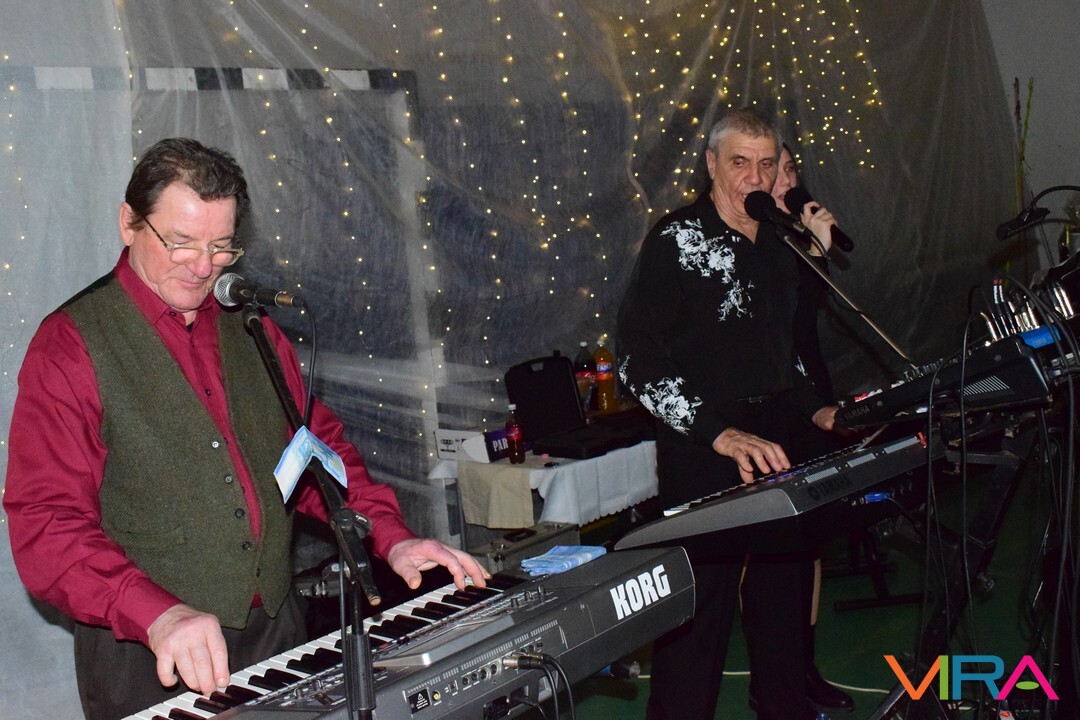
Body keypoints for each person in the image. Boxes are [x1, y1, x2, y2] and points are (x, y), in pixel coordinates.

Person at [3, 138, 489, 720]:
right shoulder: (70, 345)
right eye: (181, 242)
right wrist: (156, 612)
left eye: (221, 246)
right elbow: (46, 522)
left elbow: (315, 453)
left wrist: (390, 534)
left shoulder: (252, 328)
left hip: (275, 634)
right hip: (148, 649)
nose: (203, 267)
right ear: (129, 222)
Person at [616, 108, 839, 720]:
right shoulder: (676, 239)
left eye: (766, 164)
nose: (755, 177)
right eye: (740, 162)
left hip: (778, 445)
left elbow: (780, 355)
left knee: (783, 608)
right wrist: (717, 433)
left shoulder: (780, 242)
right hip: (704, 447)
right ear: (712, 165)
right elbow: (635, 359)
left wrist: (817, 410)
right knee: (696, 621)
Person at [769, 144, 856, 715]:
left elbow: (809, 327)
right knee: (776, 547)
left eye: (791, 169)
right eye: (773, 171)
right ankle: (777, 672)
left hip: (812, 396)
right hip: (776, 403)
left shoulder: (795, 239)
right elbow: (786, 324)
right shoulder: (757, 240)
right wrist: (815, 253)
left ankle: (805, 663)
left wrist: (818, 247)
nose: (786, 180)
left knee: (811, 540)